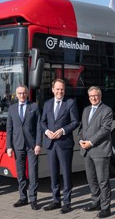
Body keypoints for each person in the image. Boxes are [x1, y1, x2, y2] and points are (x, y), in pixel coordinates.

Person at [40, 78, 80, 214]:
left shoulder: (70, 103)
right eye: (57, 89)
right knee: (53, 174)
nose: (60, 91)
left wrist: (62, 131)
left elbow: (75, 122)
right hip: (51, 144)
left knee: (66, 174)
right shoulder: (47, 104)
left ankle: (67, 203)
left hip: (64, 144)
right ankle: (56, 201)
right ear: (52, 90)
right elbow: (42, 122)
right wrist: (46, 131)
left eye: (62, 89)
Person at [79, 86, 113, 218]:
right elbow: (82, 128)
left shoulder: (107, 110)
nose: (93, 98)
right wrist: (81, 140)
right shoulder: (86, 110)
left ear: (100, 96)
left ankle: (106, 208)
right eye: (91, 96)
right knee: (91, 179)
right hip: (86, 151)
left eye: (95, 96)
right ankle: (95, 202)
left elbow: (105, 130)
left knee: (102, 181)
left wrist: (90, 142)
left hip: (100, 151)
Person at [6, 85, 42, 210]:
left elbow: (38, 127)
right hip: (18, 145)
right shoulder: (12, 109)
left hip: (32, 146)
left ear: (27, 94)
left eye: (24, 93)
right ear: (16, 95)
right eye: (19, 93)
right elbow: (9, 129)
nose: (22, 95)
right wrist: (9, 146)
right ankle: (22, 197)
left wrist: (38, 144)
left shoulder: (34, 107)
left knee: (32, 173)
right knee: (20, 173)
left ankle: (33, 199)